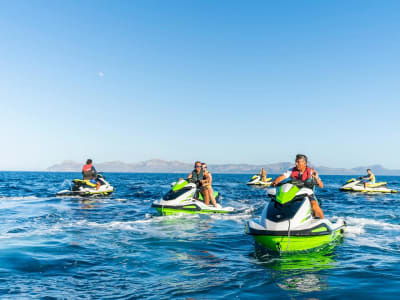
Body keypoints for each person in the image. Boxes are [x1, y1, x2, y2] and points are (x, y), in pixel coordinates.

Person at [271, 154, 324, 219]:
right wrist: (275, 182)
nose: (296, 164)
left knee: (314, 205)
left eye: (298, 162)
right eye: (296, 162)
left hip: (307, 194)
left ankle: (322, 221)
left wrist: (316, 178)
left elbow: (321, 186)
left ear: (305, 163)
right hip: (294, 193)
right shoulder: (291, 170)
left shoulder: (311, 172)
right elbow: (282, 177)